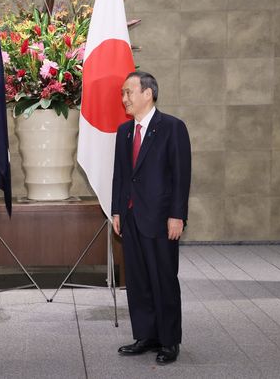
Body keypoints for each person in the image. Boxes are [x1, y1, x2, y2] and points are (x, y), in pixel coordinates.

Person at [111, 71, 191, 365]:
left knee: (163, 279)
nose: (124, 99)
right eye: (123, 93)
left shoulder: (172, 128)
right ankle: (146, 335)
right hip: (130, 218)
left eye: (129, 92)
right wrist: (117, 210)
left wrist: (177, 216)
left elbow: (181, 177)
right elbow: (121, 175)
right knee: (138, 279)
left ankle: (169, 341)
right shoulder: (124, 132)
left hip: (160, 219)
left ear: (148, 93)